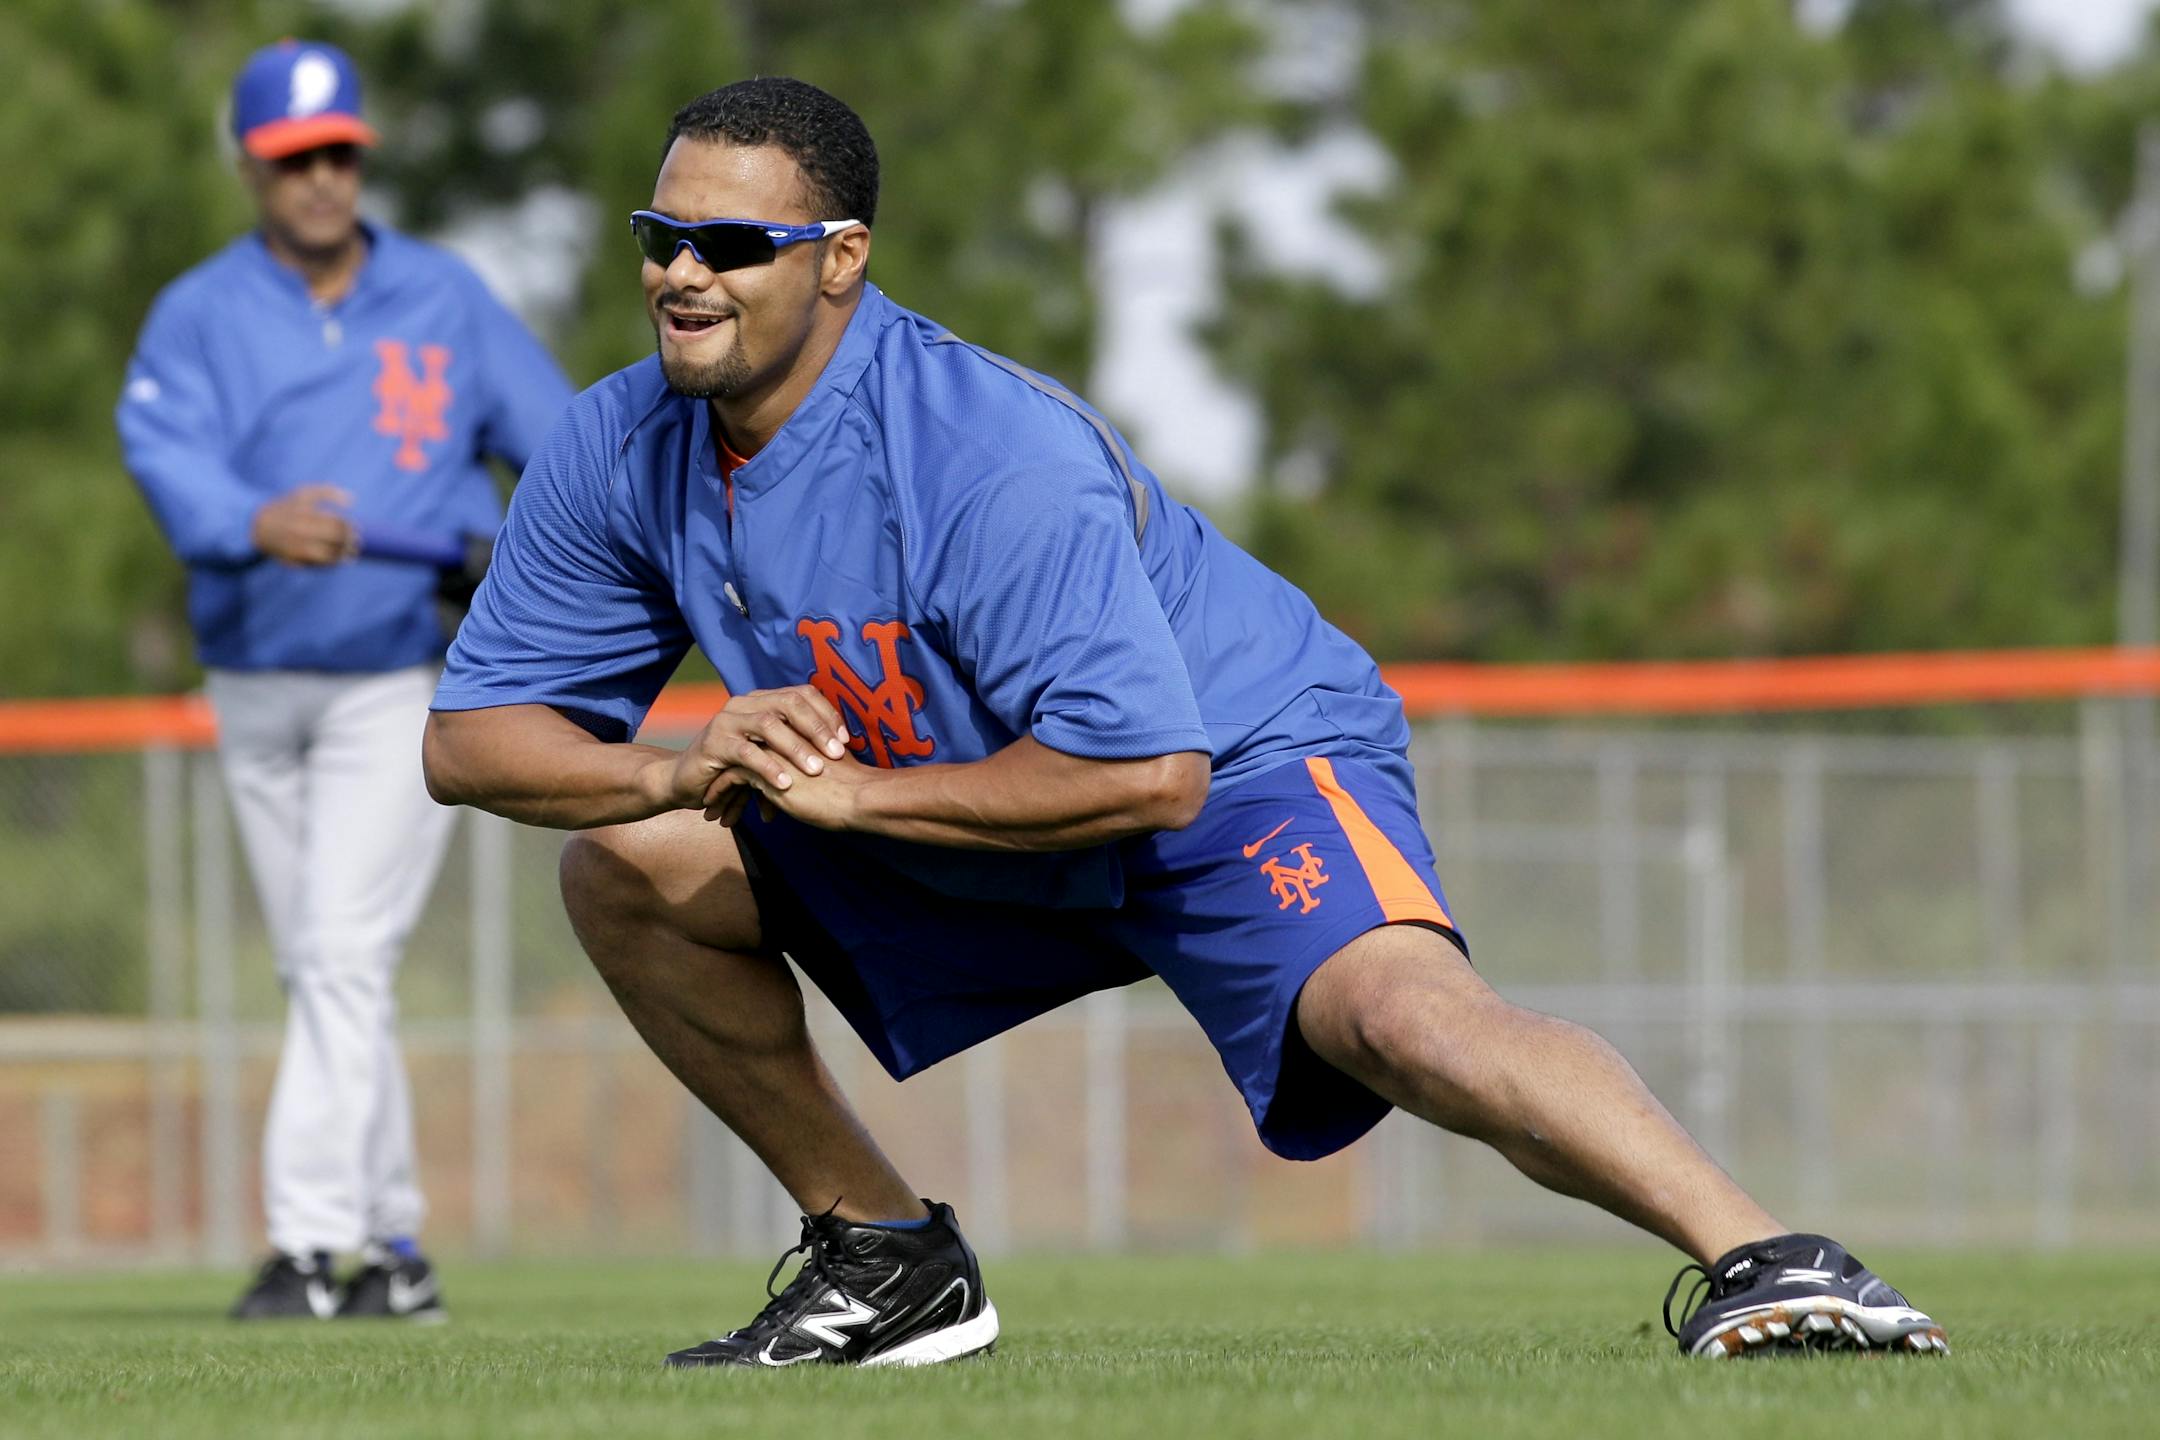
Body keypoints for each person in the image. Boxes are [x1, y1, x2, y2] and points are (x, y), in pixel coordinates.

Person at [423, 77, 1945, 1365]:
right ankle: (889, 1261)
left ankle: (1778, 1263)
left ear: (840, 261)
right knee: (625, 867)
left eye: (732, 243)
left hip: (1234, 764)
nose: (684, 273)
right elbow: (469, 744)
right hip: (991, 799)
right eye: (662, 236)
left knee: (1401, 1021)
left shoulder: (985, 456)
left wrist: (860, 807)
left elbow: (1149, 772)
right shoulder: (619, 441)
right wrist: (672, 768)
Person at [118, 39, 574, 1321]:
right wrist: (252, 517)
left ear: (360, 156)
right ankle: (397, 1250)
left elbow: (566, 451)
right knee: (330, 968)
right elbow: (161, 448)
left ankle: (311, 1250)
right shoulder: (201, 312)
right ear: (255, 168)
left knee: (337, 953)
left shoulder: (445, 296)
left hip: (396, 676)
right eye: (291, 159)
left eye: (338, 154)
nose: (320, 178)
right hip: (255, 674)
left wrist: (524, 570)